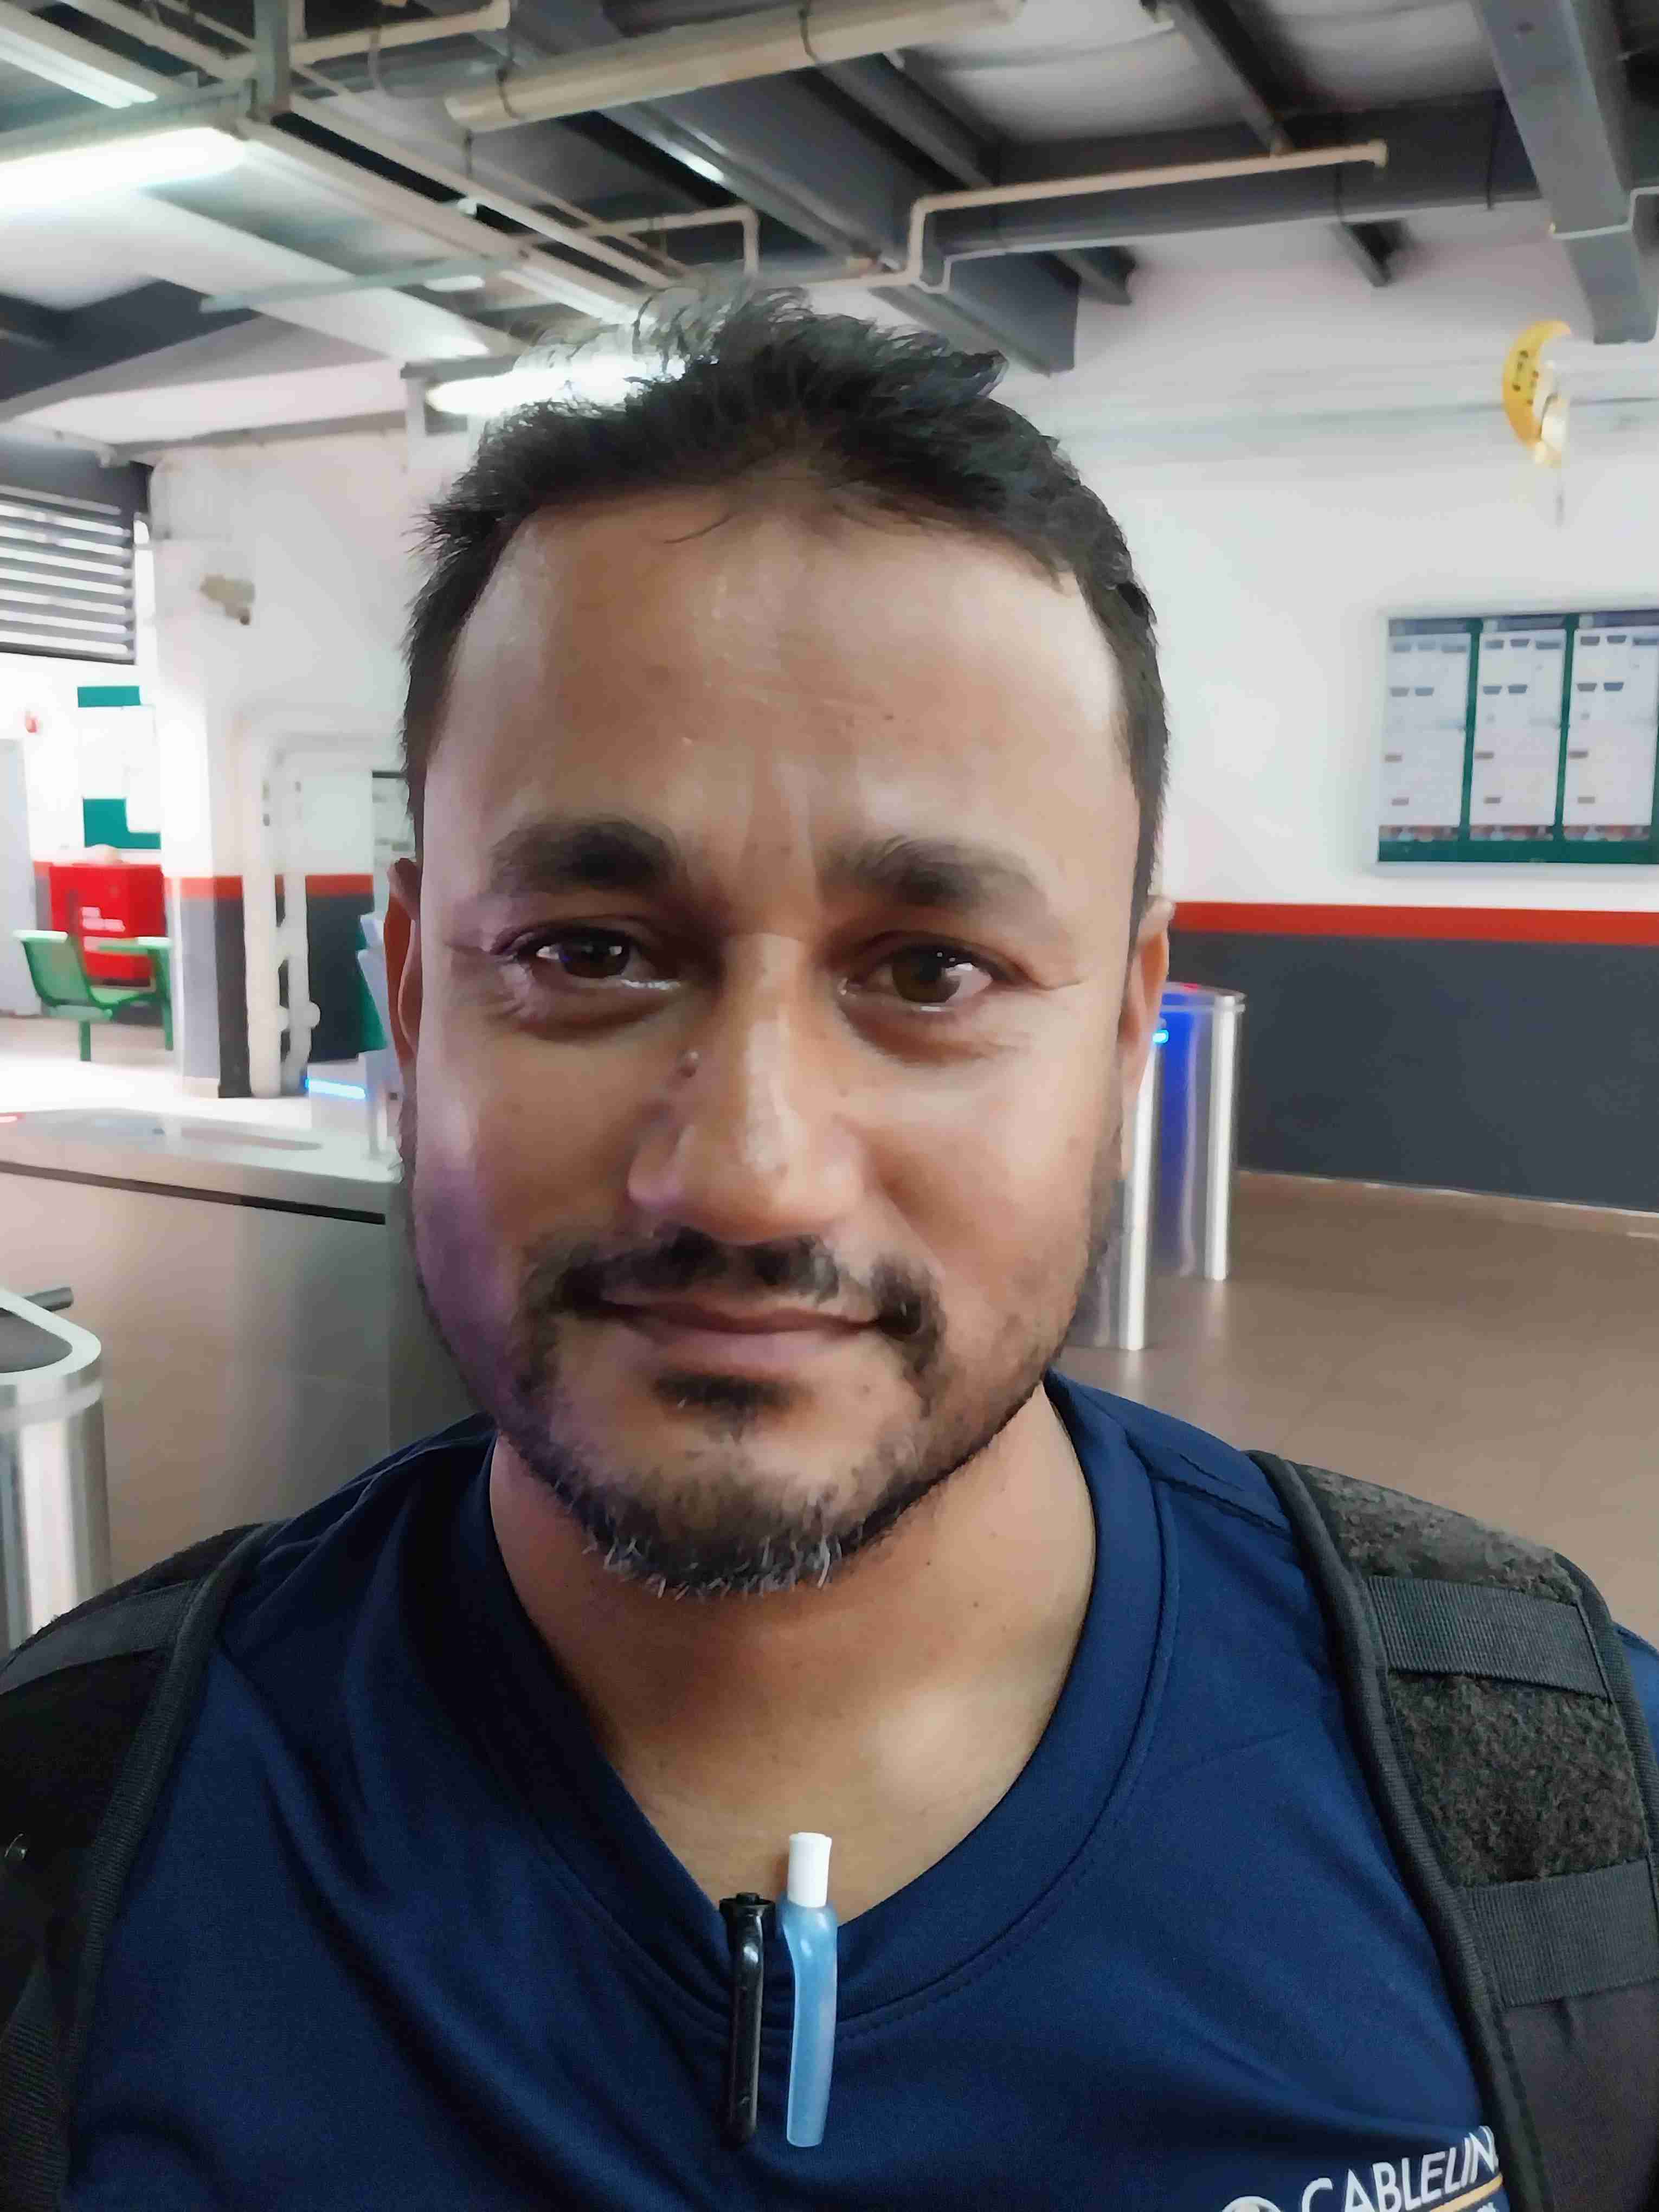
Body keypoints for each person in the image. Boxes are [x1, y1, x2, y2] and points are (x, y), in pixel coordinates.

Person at [62, 294, 1658, 2211]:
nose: (747, 1177)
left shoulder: (1555, 1803)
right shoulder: (75, 1830)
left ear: (1123, 1027)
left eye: (932, 972)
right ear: (411, 993)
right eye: (587, 951)